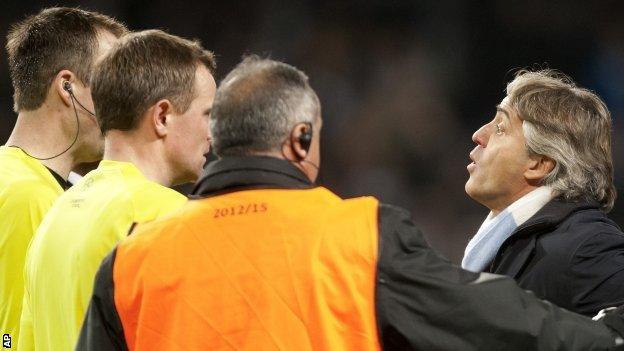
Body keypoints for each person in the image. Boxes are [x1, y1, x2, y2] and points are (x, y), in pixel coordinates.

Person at [77, 57, 624, 350]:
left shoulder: (133, 258)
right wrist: (606, 335)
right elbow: (503, 322)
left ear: (218, 140)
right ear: (299, 141)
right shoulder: (360, 234)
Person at [19, 30, 217, 351]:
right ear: (162, 116)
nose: (213, 132)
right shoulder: (166, 216)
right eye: (207, 114)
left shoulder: (53, 218)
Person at [0, 7, 127, 346]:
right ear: (67, 86)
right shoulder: (29, 195)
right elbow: (13, 339)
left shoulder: (25, 181)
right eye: (111, 82)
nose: (123, 100)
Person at [463, 69, 624, 316]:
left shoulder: (587, 244)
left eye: (501, 128)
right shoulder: (511, 242)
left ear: (539, 164)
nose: (478, 135)